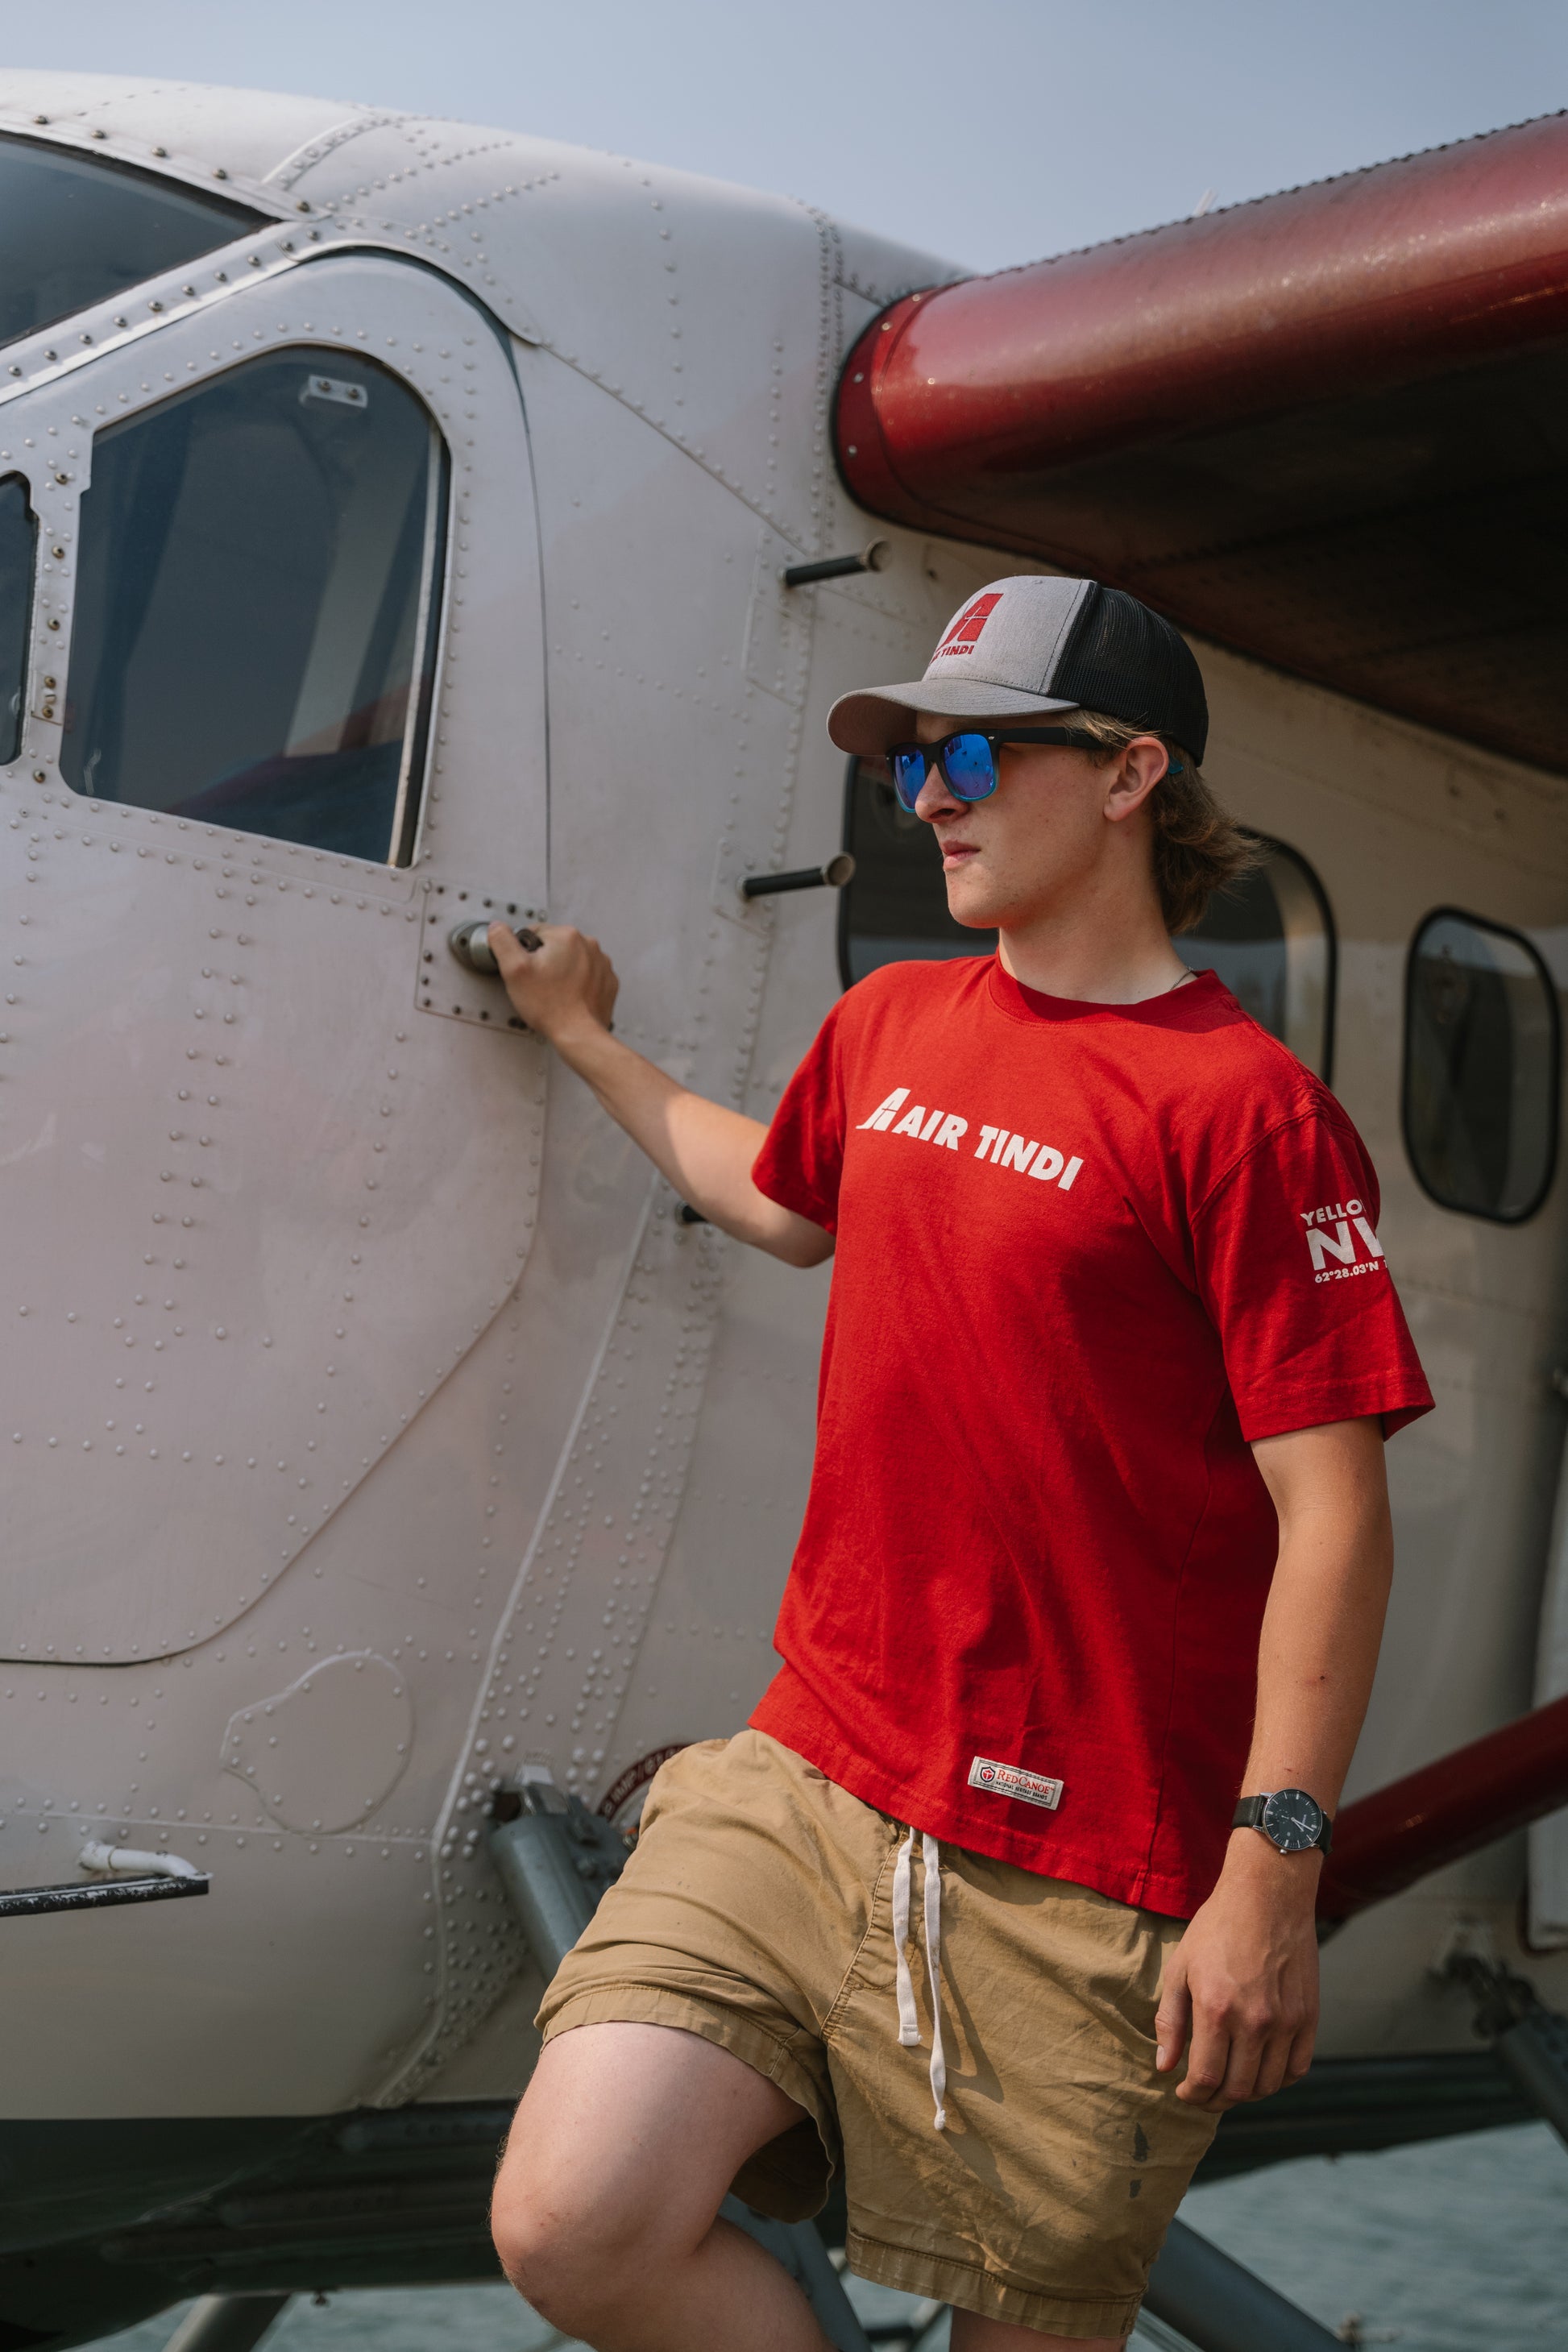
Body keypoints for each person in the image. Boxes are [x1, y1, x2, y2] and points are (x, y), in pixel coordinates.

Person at [487, 575, 1432, 2350]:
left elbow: (1336, 1516)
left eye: (975, 752)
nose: (929, 796)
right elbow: (771, 1195)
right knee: (573, 2218)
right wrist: (582, 1036)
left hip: (1092, 1871)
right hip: (817, 1769)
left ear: (1136, 768)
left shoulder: (1247, 1114)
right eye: (911, 765)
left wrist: (1272, 1874)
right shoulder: (890, 1027)